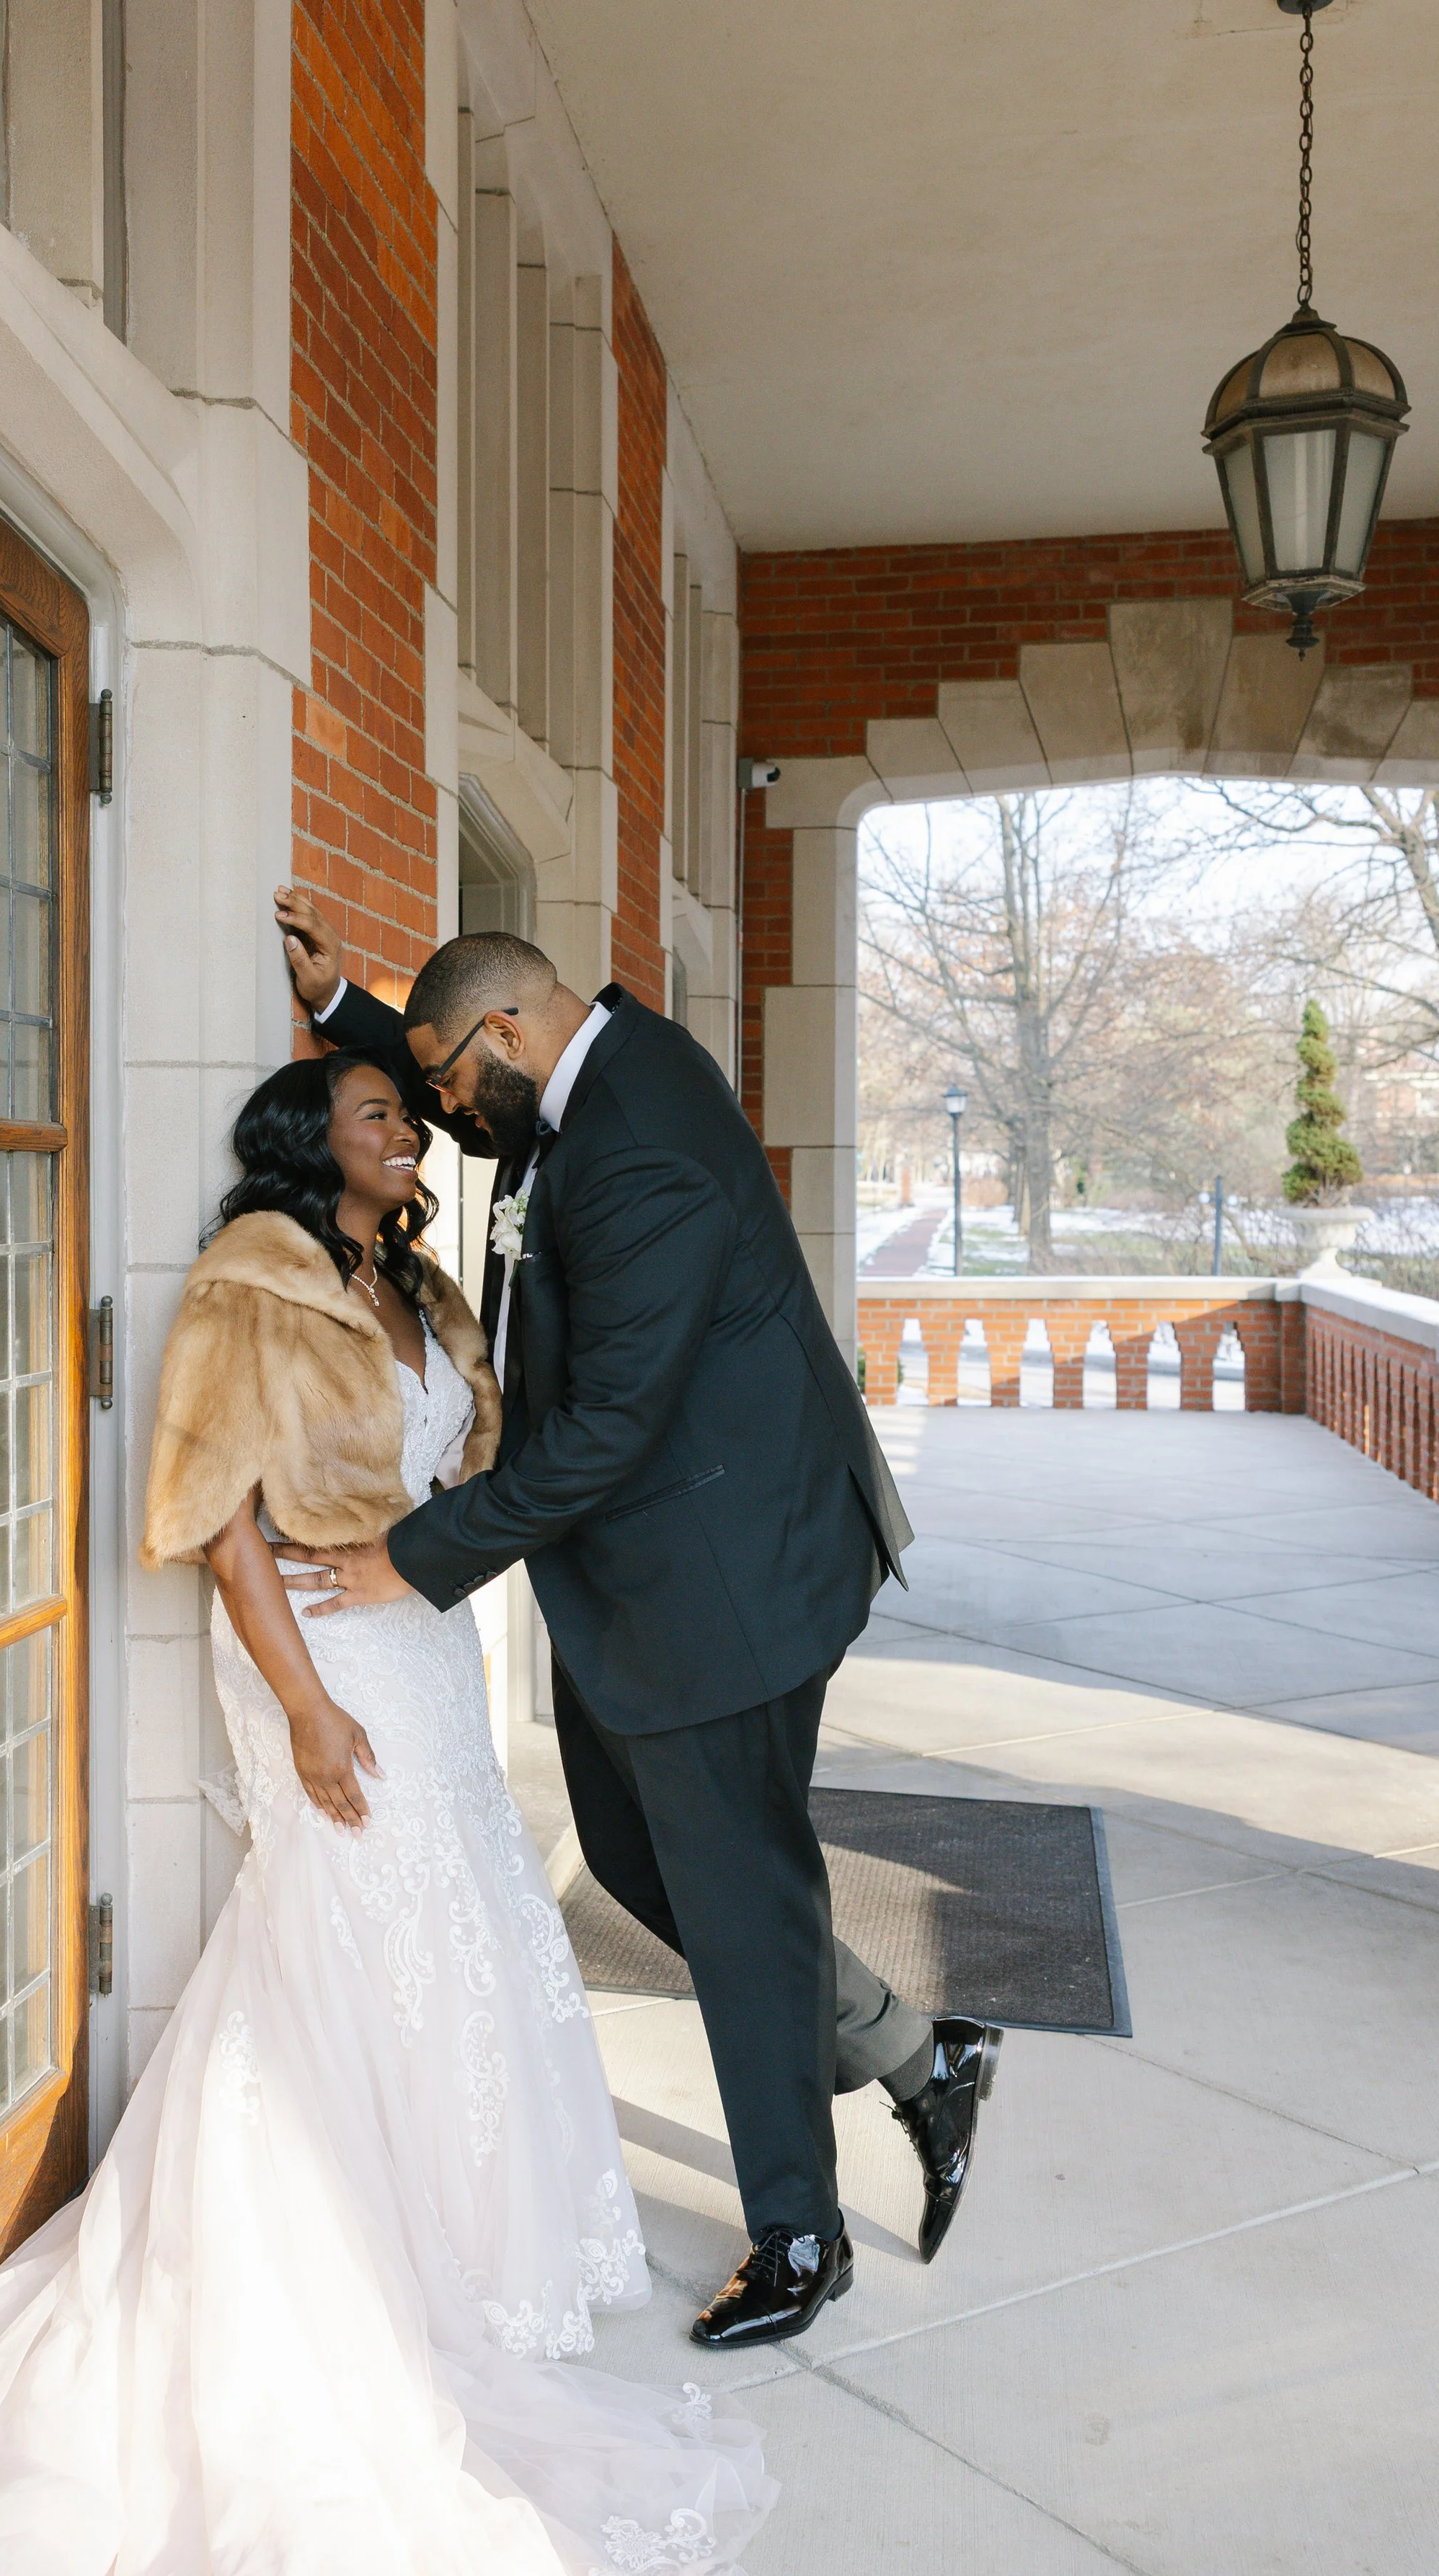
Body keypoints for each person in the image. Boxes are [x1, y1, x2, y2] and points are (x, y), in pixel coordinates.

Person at [0, 1053, 773, 2576]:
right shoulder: (246, 1284)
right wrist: (301, 1703)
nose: (406, 1128)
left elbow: (466, 1466)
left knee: (456, 1927)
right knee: (343, 1931)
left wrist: (430, 1579)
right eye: (375, 1113)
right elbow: (221, 1519)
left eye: (407, 1113)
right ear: (310, 1145)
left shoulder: (415, 1280)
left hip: (416, 1639)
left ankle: (461, 2254)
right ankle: (312, 2260)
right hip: (312, 1650)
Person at [276, 888, 1001, 2350]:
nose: (438, 1114)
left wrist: (408, 1559)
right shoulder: (604, 1061)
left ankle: (798, 2231)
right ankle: (921, 2057)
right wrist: (353, 1014)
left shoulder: (634, 1150)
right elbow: (472, 1079)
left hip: (726, 1577)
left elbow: (604, 1429)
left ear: (500, 1030)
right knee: (635, 1854)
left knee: (732, 1895)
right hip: (675, 1561)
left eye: (437, 1082)